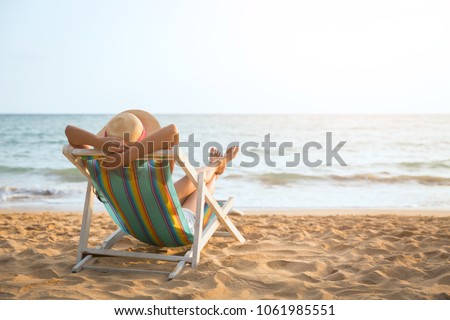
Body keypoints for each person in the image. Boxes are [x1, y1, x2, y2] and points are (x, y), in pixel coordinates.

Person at [65, 109, 239, 232]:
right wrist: (130, 155)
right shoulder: (153, 171)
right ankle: (216, 166)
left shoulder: (96, 165)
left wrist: (100, 144)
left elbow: (69, 131)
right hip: (173, 228)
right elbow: (172, 130)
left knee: (190, 182)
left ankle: (215, 164)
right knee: (202, 180)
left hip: (135, 225)